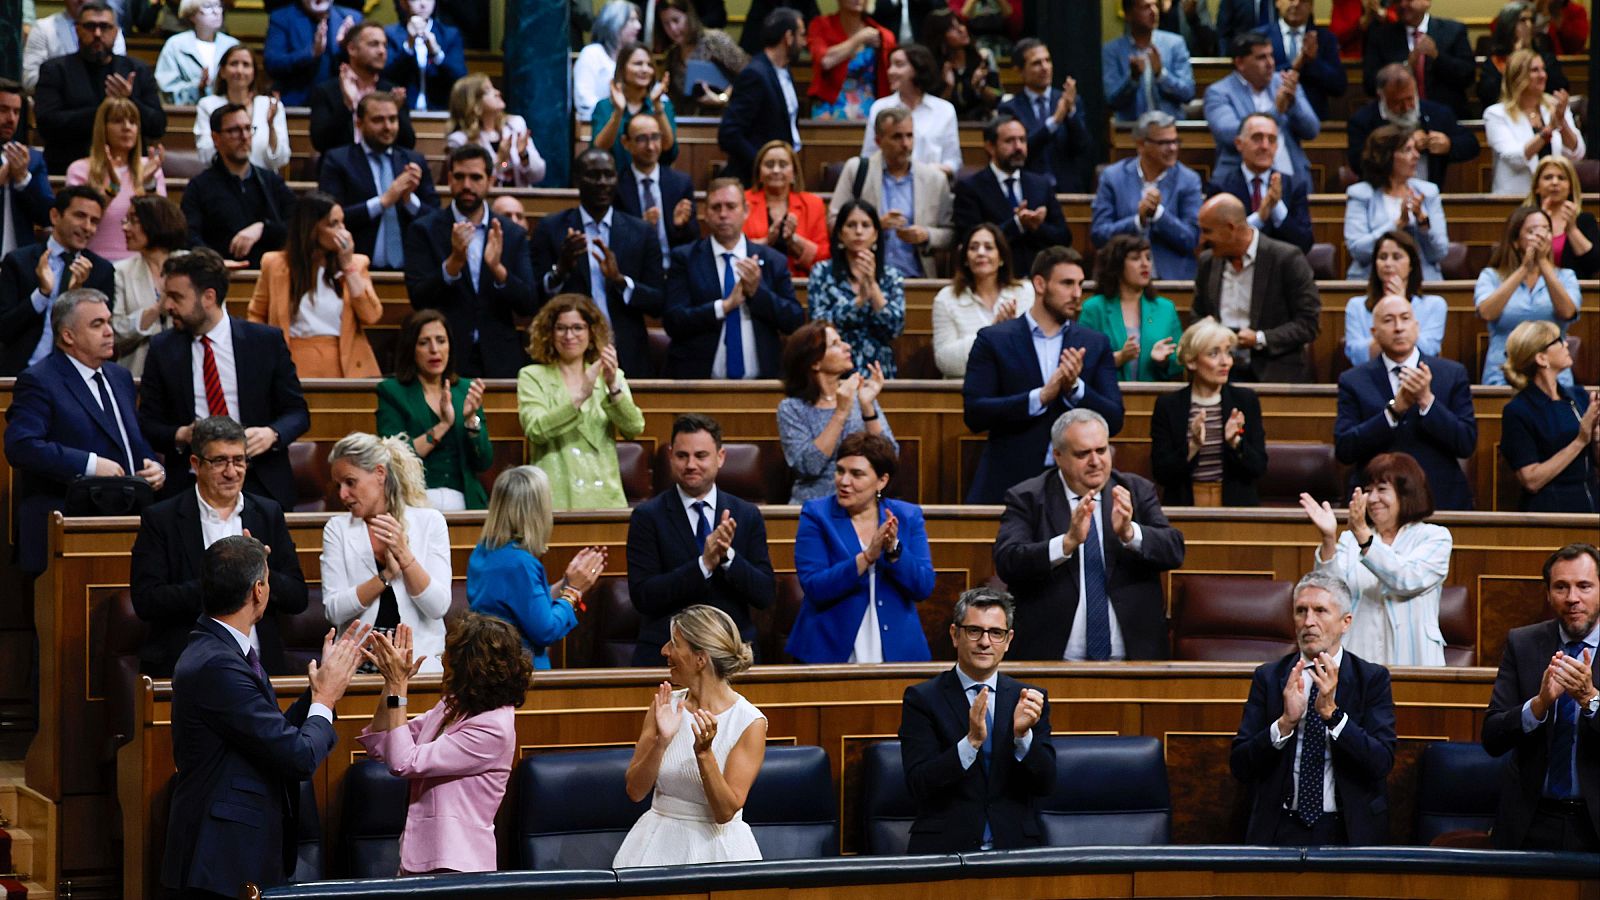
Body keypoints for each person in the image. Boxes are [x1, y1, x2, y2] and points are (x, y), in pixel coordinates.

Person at [160, 536, 370, 897]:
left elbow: (269, 732)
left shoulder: (221, 651)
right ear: (259, 590)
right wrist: (326, 698)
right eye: (269, 580)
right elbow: (298, 756)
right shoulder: (217, 663)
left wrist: (316, 692)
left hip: (232, 855)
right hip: (221, 860)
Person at [992, 409, 1185, 660]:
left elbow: (1174, 550)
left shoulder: (1136, 490)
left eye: (1102, 450)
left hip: (1135, 658)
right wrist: (1066, 543)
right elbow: (1008, 560)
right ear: (1058, 456)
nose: (1096, 461)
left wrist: (1129, 532)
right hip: (1049, 659)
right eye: (1083, 454)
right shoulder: (1028, 497)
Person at [130, 415, 307, 678]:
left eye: (239, 460)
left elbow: (297, 597)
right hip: (188, 666)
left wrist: (262, 573)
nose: (231, 472)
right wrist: (223, 583)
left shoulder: (267, 513)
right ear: (196, 464)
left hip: (259, 666)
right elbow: (147, 601)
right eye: (219, 461)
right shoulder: (161, 518)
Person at [1229, 572, 1397, 845]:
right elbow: (1241, 765)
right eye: (1300, 611)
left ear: (1346, 622)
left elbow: (1380, 762)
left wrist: (1333, 715)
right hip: (1278, 829)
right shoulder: (1269, 678)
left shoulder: (1372, 679)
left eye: (1320, 611)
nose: (1308, 621)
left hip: (1348, 831)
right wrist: (1284, 724)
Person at [4, 288, 162, 574]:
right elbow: (21, 446)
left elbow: (130, 439)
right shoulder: (39, 380)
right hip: (69, 523)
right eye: (97, 324)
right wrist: (89, 464)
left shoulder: (119, 376)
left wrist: (153, 466)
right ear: (68, 336)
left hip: (127, 519)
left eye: (108, 321)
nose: (109, 331)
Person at [141, 248, 309, 509]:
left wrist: (272, 434)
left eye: (176, 297)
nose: (167, 306)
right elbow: (149, 423)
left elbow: (297, 413)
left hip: (259, 480)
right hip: (191, 482)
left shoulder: (265, 341)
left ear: (209, 297)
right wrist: (181, 434)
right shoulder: (162, 349)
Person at [356, 617, 523, 875]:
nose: (444, 659)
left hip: (457, 867)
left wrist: (400, 687)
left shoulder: (493, 728)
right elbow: (381, 742)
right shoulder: (454, 706)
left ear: (471, 667)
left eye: (451, 655)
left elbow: (403, 762)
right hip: (420, 859)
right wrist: (391, 683)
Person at [898, 586, 1054, 852]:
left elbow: (1046, 782)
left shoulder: (1029, 698)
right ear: (955, 635)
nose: (985, 642)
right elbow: (919, 784)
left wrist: (1022, 738)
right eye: (974, 631)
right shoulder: (922, 699)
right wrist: (970, 743)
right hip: (944, 851)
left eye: (996, 633)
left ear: (1008, 640)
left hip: (1015, 849)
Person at [963, 247, 1122, 505]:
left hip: (1079, 486)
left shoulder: (1094, 343)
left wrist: (1075, 389)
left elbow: (1114, 419)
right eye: (1067, 283)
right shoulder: (994, 339)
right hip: (1010, 481)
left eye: (1080, 284)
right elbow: (975, 413)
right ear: (1039, 284)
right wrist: (1040, 397)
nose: (1077, 294)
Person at [614, 605, 767, 866]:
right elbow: (635, 791)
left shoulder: (749, 722)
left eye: (674, 643)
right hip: (655, 846)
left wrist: (705, 754)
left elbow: (724, 812)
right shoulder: (664, 707)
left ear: (700, 658)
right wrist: (661, 742)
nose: (664, 650)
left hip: (718, 852)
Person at [627, 414, 776, 666]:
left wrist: (727, 557)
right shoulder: (647, 516)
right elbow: (644, 596)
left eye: (701, 456)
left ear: (720, 457)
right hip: (667, 653)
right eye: (682, 456)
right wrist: (704, 564)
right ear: (671, 456)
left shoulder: (746, 514)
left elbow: (764, 594)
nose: (691, 464)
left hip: (731, 655)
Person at [1482, 543, 1600, 852]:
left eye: (1584, 586)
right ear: (1548, 594)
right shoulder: (1523, 643)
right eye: (1561, 587)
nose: (1572, 598)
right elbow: (1492, 737)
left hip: (1594, 823)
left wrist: (1590, 699)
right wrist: (1538, 705)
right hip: (1531, 820)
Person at [786, 432, 934, 663]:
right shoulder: (817, 514)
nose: (844, 481)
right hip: (829, 646)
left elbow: (923, 587)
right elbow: (815, 586)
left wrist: (894, 549)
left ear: (882, 481)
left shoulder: (907, 516)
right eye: (840, 470)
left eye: (856, 474)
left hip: (897, 650)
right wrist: (867, 557)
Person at [1301, 452, 1452, 666]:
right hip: (1360, 661)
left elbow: (1405, 579)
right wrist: (1328, 539)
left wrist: (1363, 535)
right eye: (1368, 490)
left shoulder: (1434, 538)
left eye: (1382, 490)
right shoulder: (1349, 540)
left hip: (1416, 663)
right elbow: (1331, 593)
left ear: (1407, 493)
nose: (1372, 499)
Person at [321, 431, 452, 672]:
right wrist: (385, 577)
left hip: (417, 662)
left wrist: (404, 555)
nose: (342, 494)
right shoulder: (337, 529)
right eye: (339, 485)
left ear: (379, 473)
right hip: (356, 663)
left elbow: (438, 607)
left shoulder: (429, 522)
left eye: (350, 482)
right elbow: (334, 610)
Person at [1333, 294, 1476, 510]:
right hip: (1377, 503)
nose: (1398, 327)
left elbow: (1465, 443)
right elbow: (1345, 449)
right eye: (1388, 320)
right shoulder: (1353, 380)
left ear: (1417, 326)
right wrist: (1394, 411)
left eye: (1405, 318)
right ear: (1374, 332)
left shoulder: (1451, 374)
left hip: (1440, 498)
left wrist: (1427, 401)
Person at [530, 148, 663, 378]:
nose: (602, 182)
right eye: (593, 175)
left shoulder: (640, 232)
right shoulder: (551, 228)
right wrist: (560, 271)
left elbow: (658, 301)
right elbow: (533, 298)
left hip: (626, 353)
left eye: (608, 175)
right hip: (566, 354)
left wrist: (620, 280)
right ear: (577, 180)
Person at [405, 145, 534, 380]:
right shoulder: (424, 230)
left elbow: (528, 303)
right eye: (459, 177)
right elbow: (418, 298)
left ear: (490, 180)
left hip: (500, 357)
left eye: (476, 177)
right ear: (449, 179)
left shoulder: (512, 233)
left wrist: (498, 270)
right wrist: (453, 264)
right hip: (446, 358)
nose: (467, 185)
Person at [663, 178, 804, 379]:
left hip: (761, 386)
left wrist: (757, 292)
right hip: (698, 383)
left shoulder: (772, 260)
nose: (723, 214)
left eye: (731, 206)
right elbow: (673, 321)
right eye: (716, 207)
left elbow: (794, 320)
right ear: (705, 213)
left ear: (746, 210)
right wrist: (724, 306)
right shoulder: (685, 258)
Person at [469, 466, 606, 668]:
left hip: (491, 669)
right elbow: (546, 630)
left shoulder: (484, 551)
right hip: (519, 674)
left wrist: (567, 581)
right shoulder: (519, 564)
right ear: (535, 512)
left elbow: (524, 605)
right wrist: (573, 592)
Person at [517, 294, 645, 510]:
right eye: (561, 328)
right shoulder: (532, 376)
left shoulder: (612, 375)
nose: (569, 336)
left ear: (591, 332)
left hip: (605, 498)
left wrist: (613, 386)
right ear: (549, 333)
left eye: (578, 327)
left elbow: (634, 428)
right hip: (556, 497)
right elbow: (535, 430)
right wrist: (581, 394)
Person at [246, 191, 382, 379]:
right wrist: (265, 356)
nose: (344, 232)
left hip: (347, 366)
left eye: (343, 222)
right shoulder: (275, 264)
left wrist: (347, 267)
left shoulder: (357, 265)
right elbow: (257, 315)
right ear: (311, 229)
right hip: (292, 363)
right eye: (333, 224)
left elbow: (371, 315)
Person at [1192, 193, 1320, 383]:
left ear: (1230, 228)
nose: (1202, 240)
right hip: (1218, 373)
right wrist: (1209, 329)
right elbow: (1197, 314)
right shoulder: (1207, 262)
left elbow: (1309, 323)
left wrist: (1260, 339)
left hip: (1273, 370)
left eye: (1207, 231)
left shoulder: (1286, 258)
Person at [376, 310, 491, 511]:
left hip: (465, 499)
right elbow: (394, 459)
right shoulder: (393, 392)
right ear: (411, 348)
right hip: (414, 501)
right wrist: (443, 425)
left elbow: (483, 461)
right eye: (424, 342)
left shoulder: (466, 390)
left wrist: (471, 419)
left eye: (441, 341)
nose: (434, 349)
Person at [34, 2, 165, 175]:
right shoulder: (55, 70)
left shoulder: (137, 70)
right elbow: (47, 124)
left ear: (116, 31)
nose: (97, 34)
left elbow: (157, 125)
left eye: (104, 27)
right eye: (90, 27)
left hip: (128, 173)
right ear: (77, 30)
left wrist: (129, 101)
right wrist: (106, 110)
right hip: (69, 168)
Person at [0, 186, 116, 377]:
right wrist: (42, 294)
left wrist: (77, 295)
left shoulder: (101, 271)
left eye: (94, 221)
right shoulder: (19, 261)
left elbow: (103, 338)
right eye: (80, 216)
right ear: (55, 216)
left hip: (76, 379)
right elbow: (4, 329)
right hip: (20, 374)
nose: (87, 227)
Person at [317, 91, 439, 272]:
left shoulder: (413, 161)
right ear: (359, 123)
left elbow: (435, 219)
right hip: (353, 266)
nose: (387, 127)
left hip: (410, 271)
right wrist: (383, 202)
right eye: (378, 120)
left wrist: (409, 200)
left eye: (393, 119)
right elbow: (328, 218)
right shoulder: (338, 160)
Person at [1150, 317, 1266, 506]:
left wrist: (1235, 442)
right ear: (1192, 361)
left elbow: (1259, 467)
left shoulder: (1245, 401)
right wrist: (1193, 445)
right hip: (1186, 505)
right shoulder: (1168, 406)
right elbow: (1161, 473)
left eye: (1228, 353)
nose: (1225, 362)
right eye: (1214, 354)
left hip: (1236, 507)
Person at [828, 107, 953, 280]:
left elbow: (951, 233)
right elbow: (834, 223)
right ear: (879, 141)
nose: (906, 144)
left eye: (910, 136)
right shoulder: (857, 170)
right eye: (897, 137)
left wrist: (926, 234)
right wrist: (874, 226)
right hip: (864, 276)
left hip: (916, 278)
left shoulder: (935, 180)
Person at [779, 321, 897, 504]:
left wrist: (867, 406)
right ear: (815, 362)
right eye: (835, 344)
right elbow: (808, 466)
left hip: (863, 503)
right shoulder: (792, 408)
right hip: (814, 505)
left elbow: (890, 457)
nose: (847, 346)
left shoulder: (860, 397)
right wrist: (841, 412)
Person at [1499, 320, 1600, 514]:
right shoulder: (1518, 411)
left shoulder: (1578, 396)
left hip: (1591, 503)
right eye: (1558, 341)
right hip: (1550, 512)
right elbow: (1531, 480)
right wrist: (1580, 440)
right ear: (1541, 358)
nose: (1566, 344)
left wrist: (1595, 436)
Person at [1090, 110, 1203, 281]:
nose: (1173, 148)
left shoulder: (1188, 180)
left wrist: (1158, 214)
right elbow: (1099, 235)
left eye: (1175, 141)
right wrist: (1138, 221)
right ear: (1141, 144)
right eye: (1164, 142)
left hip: (1172, 280)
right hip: (1120, 279)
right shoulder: (1113, 177)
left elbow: (1191, 239)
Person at [953, 114, 1069, 278]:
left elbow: (1064, 237)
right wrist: (1017, 224)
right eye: (1010, 141)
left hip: (1037, 279)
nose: (1018, 147)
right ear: (990, 146)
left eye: (1022, 140)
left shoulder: (1040, 184)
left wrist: (1036, 226)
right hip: (993, 279)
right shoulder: (970, 188)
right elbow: (969, 242)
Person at [1476, 206, 1581, 388]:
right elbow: (1487, 312)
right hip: (1503, 373)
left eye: (1546, 230)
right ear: (1516, 241)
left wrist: (1542, 263)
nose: (1541, 236)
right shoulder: (1491, 276)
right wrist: (1524, 268)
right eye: (1532, 231)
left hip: (1554, 374)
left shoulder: (1566, 276)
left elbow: (1567, 312)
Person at [1204, 31, 1319, 197]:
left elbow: (1312, 130)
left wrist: (1293, 104)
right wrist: (1277, 111)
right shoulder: (1219, 92)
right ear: (1240, 63)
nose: (1270, 63)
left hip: (1291, 179)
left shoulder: (1285, 83)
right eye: (1261, 57)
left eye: (1271, 56)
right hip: (1240, 185)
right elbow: (1229, 133)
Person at [182, 103, 297, 269]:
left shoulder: (271, 182)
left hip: (270, 274)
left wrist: (263, 228)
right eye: (234, 130)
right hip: (220, 276)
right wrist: (215, 263)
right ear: (216, 138)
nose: (244, 136)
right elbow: (190, 237)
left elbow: (297, 224)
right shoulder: (199, 187)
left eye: (248, 128)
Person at [804, 200, 904, 376]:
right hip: (834, 369)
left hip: (878, 369)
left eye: (865, 225)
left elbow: (895, 328)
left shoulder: (891, 276)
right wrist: (858, 301)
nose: (858, 231)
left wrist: (873, 287)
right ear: (840, 234)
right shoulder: (822, 272)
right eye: (851, 225)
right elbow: (818, 323)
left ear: (875, 234)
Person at [1347, 64, 1478, 191]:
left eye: (1410, 98)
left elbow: (1471, 144)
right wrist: (1405, 145)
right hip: (1381, 195)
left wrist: (1449, 145)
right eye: (1397, 102)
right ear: (1381, 95)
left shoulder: (1438, 113)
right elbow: (1357, 163)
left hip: (1428, 196)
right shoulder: (1363, 120)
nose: (1406, 107)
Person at [64, 98, 165, 263]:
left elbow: (161, 224)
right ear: (102, 128)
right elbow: (80, 223)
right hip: (92, 263)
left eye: (132, 122)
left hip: (139, 264)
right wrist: (112, 188)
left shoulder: (150, 167)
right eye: (118, 121)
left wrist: (146, 184)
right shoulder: (80, 169)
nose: (126, 127)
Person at [1345, 125, 1447, 282]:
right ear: (1386, 157)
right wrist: (1397, 224)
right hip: (1372, 283)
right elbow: (1358, 250)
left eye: (1415, 149)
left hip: (1422, 283)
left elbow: (1439, 252)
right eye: (1407, 150)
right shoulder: (1360, 194)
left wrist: (1423, 224)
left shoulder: (1428, 192)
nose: (1416, 156)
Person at [931, 222, 1032, 379]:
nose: (981, 253)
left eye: (989, 247)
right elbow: (944, 360)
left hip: (1014, 385)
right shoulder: (946, 298)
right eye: (973, 248)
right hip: (964, 389)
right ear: (965, 259)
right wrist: (993, 332)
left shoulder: (1024, 292)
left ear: (1001, 258)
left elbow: (1031, 351)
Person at [717, 8, 805, 185]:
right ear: (788, 38)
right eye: (801, 35)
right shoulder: (755, 74)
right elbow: (729, 133)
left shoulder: (784, 71)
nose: (805, 42)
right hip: (754, 180)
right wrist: (762, 164)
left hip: (780, 176)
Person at [1079, 235, 1184, 382]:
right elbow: (1084, 362)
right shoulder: (1094, 308)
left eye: (1148, 258)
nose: (1145, 264)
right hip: (1107, 397)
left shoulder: (1166, 309)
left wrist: (1163, 362)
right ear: (1117, 265)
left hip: (1153, 398)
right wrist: (1118, 358)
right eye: (1135, 258)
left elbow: (1179, 363)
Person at [1205, 112, 1313, 254]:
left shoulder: (1294, 185)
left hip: (1280, 270)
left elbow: (1304, 244)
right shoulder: (1221, 186)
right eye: (1257, 138)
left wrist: (1276, 207)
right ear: (1239, 143)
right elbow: (1214, 241)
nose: (1265, 146)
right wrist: (1259, 218)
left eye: (1272, 140)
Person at [1484, 50, 1587, 197]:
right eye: (1535, 70)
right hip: (1515, 199)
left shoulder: (1554, 107)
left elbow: (1577, 152)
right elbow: (1515, 157)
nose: (1543, 75)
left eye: (1543, 69)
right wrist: (1549, 130)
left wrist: (1561, 122)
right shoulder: (1496, 114)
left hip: (1554, 198)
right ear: (1517, 76)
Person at [307, 22, 418, 154]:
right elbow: (320, 142)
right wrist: (347, 105)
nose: (382, 51)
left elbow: (408, 144)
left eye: (384, 45)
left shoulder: (391, 91)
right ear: (352, 49)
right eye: (374, 44)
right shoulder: (326, 91)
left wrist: (395, 111)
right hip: (341, 169)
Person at [1342, 230, 1447, 368]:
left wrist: (1400, 303)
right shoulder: (1356, 306)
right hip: (1371, 378)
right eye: (1382, 257)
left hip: (1418, 376)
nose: (1388, 263)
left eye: (1397, 257)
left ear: (1411, 265)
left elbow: (1427, 352)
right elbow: (1357, 356)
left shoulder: (1435, 305)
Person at [997, 38, 1090, 192]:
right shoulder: (1010, 108)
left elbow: (1083, 147)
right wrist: (1054, 121)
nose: (1045, 67)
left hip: (1067, 189)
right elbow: (1020, 150)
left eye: (1047, 61)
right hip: (1028, 189)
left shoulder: (1069, 100)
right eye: (1036, 63)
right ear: (1019, 71)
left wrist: (1071, 112)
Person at [1360, 0, 1474, 120]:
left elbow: (1467, 76)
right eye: (1398, 1)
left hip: (1446, 118)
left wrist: (1437, 56)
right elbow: (1370, 85)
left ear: (1426, 2)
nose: (1403, 5)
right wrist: (1405, 67)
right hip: (1396, 120)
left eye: (1409, 0)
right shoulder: (1380, 36)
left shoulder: (1453, 30)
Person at [860, 44, 961, 177]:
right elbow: (868, 156)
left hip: (931, 184)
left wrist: (927, 173)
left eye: (899, 64)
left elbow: (953, 161)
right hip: (888, 184)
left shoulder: (944, 110)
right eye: (890, 65)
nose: (891, 71)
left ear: (918, 68)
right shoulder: (880, 107)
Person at [111, 194, 185, 375]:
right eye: (125, 220)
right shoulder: (119, 271)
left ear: (156, 223)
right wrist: (157, 309)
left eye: (133, 221)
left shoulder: (192, 265)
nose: (125, 228)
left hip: (188, 371)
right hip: (138, 374)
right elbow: (115, 332)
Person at [615, 114, 698, 268]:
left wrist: (680, 226)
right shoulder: (617, 186)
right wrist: (640, 227)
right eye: (641, 139)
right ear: (626, 143)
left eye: (655, 137)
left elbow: (693, 240)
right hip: (635, 268)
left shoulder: (680, 183)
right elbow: (614, 241)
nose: (650, 146)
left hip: (674, 269)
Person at [195, 46, 291, 172]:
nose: (240, 71)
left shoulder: (270, 105)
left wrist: (271, 127)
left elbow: (281, 160)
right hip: (222, 182)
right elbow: (205, 155)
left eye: (246, 65)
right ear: (222, 71)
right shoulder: (207, 105)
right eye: (234, 64)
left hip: (264, 184)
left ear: (254, 72)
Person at [743, 140, 829, 278]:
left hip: (799, 282)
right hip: (753, 280)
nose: (776, 170)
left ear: (794, 173)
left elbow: (824, 256)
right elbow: (732, 245)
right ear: (759, 172)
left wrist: (793, 241)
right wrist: (766, 241)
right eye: (769, 165)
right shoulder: (742, 202)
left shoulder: (813, 204)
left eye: (783, 165)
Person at [590, 41, 678, 175]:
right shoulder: (605, 106)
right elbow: (598, 150)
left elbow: (668, 148)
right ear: (622, 69)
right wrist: (618, 112)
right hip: (614, 182)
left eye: (649, 65)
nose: (645, 69)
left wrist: (657, 105)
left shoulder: (663, 107)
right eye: (638, 64)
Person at [445, 73, 544, 188]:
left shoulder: (515, 125)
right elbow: (473, 184)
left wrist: (524, 155)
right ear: (473, 103)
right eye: (488, 90)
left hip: (522, 201)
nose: (497, 92)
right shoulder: (459, 141)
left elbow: (538, 175)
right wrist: (500, 159)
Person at [1103, 0, 1195, 123]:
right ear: (1128, 14)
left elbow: (1188, 93)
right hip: (1130, 132)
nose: (1154, 11)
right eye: (1146, 7)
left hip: (1170, 130)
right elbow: (1111, 100)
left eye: (1155, 6)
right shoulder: (1112, 51)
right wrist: (1132, 79)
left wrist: (1161, 75)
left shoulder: (1174, 44)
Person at [656, 0, 748, 118]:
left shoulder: (714, 41)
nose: (672, 28)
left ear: (689, 17)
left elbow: (748, 76)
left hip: (728, 117)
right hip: (692, 123)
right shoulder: (672, 55)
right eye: (666, 24)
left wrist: (723, 97)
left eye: (676, 20)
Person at [807, 0, 895, 122]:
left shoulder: (881, 35)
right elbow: (825, 61)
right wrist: (859, 38)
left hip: (869, 107)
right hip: (830, 105)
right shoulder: (821, 25)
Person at [265, 0, 362, 107]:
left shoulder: (352, 18)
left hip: (342, 104)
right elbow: (272, 63)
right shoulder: (281, 18)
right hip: (297, 104)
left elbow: (365, 68)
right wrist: (311, 52)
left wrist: (346, 48)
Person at [1478, 2, 1570, 114]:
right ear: (1508, 25)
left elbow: (1559, 89)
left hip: (1543, 114)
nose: (1529, 25)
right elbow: (1488, 95)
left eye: (1531, 20)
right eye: (1523, 20)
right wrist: (1517, 58)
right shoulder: (1494, 62)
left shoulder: (1546, 59)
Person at [22, 0, 129, 93]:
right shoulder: (43, 28)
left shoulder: (111, 30)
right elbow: (29, 80)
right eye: (90, 26)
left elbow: (118, 73)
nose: (81, 0)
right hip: (59, 104)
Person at [0, 79, 55, 257]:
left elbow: (48, 215)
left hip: (18, 266)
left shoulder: (31, 159)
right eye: (3, 110)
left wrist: (23, 179)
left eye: (16, 112)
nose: (11, 119)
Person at [382, 0, 465, 113]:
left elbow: (460, 78)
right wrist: (408, 47)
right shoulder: (390, 34)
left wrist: (437, 53)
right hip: (401, 112)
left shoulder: (449, 35)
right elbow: (385, 77)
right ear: (403, 3)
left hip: (441, 112)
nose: (423, 4)